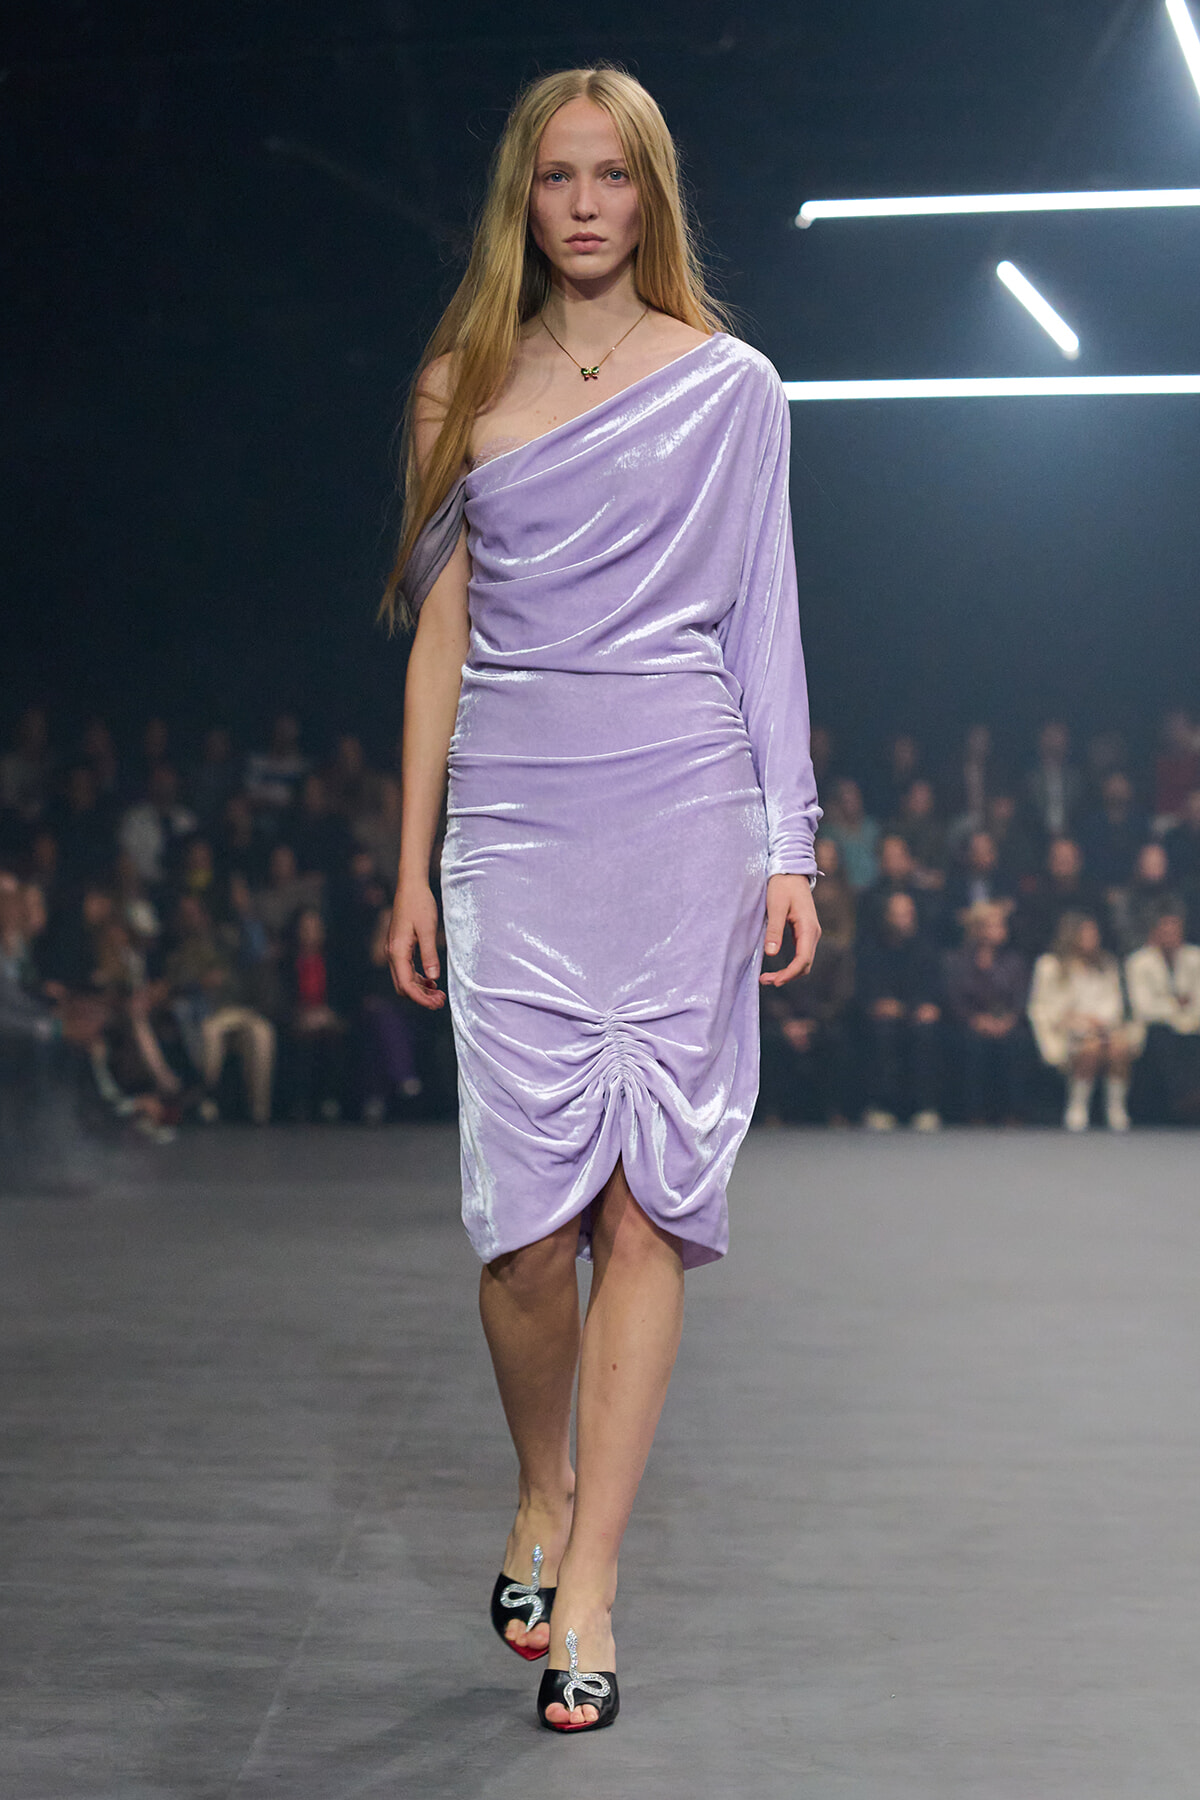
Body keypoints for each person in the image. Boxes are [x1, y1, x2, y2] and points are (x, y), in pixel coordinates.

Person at [380, 67, 821, 1733]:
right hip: (515, 821)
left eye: (610, 177)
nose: (582, 204)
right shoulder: (458, 386)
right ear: (525, 198)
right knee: (521, 1234)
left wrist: (794, 844)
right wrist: (410, 864)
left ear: (650, 196)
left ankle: (592, 1585)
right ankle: (539, 1484)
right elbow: (440, 632)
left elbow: (763, 616)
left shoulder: (732, 390)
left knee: (649, 1212)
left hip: (687, 814)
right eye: (557, 177)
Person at [1027, 911, 1142, 1131]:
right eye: (1085, 933)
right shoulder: (1050, 965)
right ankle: (1077, 1107)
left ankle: (1115, 1108)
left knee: (1119, 1047)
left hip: (1104, 1029)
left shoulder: (1106, 964)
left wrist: (1101, 1021)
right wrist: (1079, 1022)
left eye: (1094, 933)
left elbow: (1114, 1002)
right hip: (1066, 1032)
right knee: (1089, 1048)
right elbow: (1042, 1006)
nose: (1092, 937)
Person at [856, 890, 942, 1130]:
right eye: (897, 915)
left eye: (907, 914)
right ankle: (882, 1106)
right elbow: (866, 990)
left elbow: (932, 989)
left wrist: (921, 1007)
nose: (903, 920)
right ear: (885, 917)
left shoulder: (925, 947)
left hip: (915, 1014)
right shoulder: (870, 947)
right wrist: (879, 1004)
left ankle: (924, 1107)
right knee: (883, 1031)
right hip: (880, 1017)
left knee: (925, 1032)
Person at [942, 901, 1030, 1122]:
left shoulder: (1014, 961)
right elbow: (954, 998)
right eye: (993, 926)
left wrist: (1008, 1021)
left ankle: (1013, 1112)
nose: (1000, 931)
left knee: (1016, 1042)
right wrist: (975, 1020)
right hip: (969, 1023)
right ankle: (974, 1112)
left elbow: (1021, 999)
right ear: (978, 929)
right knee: (973, 1044)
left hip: (1007, 1023)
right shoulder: (956, 960)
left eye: (1001, 925)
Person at [1125, 907, 1200, 1122]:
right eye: (1165, 932)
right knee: (1164, 1037)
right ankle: (1183, 1100)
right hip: (1154, 1028)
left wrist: (1182, 1010)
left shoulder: (1195, 958)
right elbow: (1144, 1008)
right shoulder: (1139, 962)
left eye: (1175, 932)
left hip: (1192, 1025)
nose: (1170, 937)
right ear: (1154, 934)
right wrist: (1177, 1005)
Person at [1025, 720, 1082, 843]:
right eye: (1050, 736)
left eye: (1059, 736)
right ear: (1041, 740)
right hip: (1036, 839)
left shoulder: (1076, 778)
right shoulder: (1030, 778)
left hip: (1070, 839)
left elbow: (1080, 813)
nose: (1054, 742)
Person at [824, 777, 880, 894]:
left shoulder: (872, 828)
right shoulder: (830, 832)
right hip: (843, 892)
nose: (850, 801)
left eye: (854, 795)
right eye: (845, 797)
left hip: (874, 891)